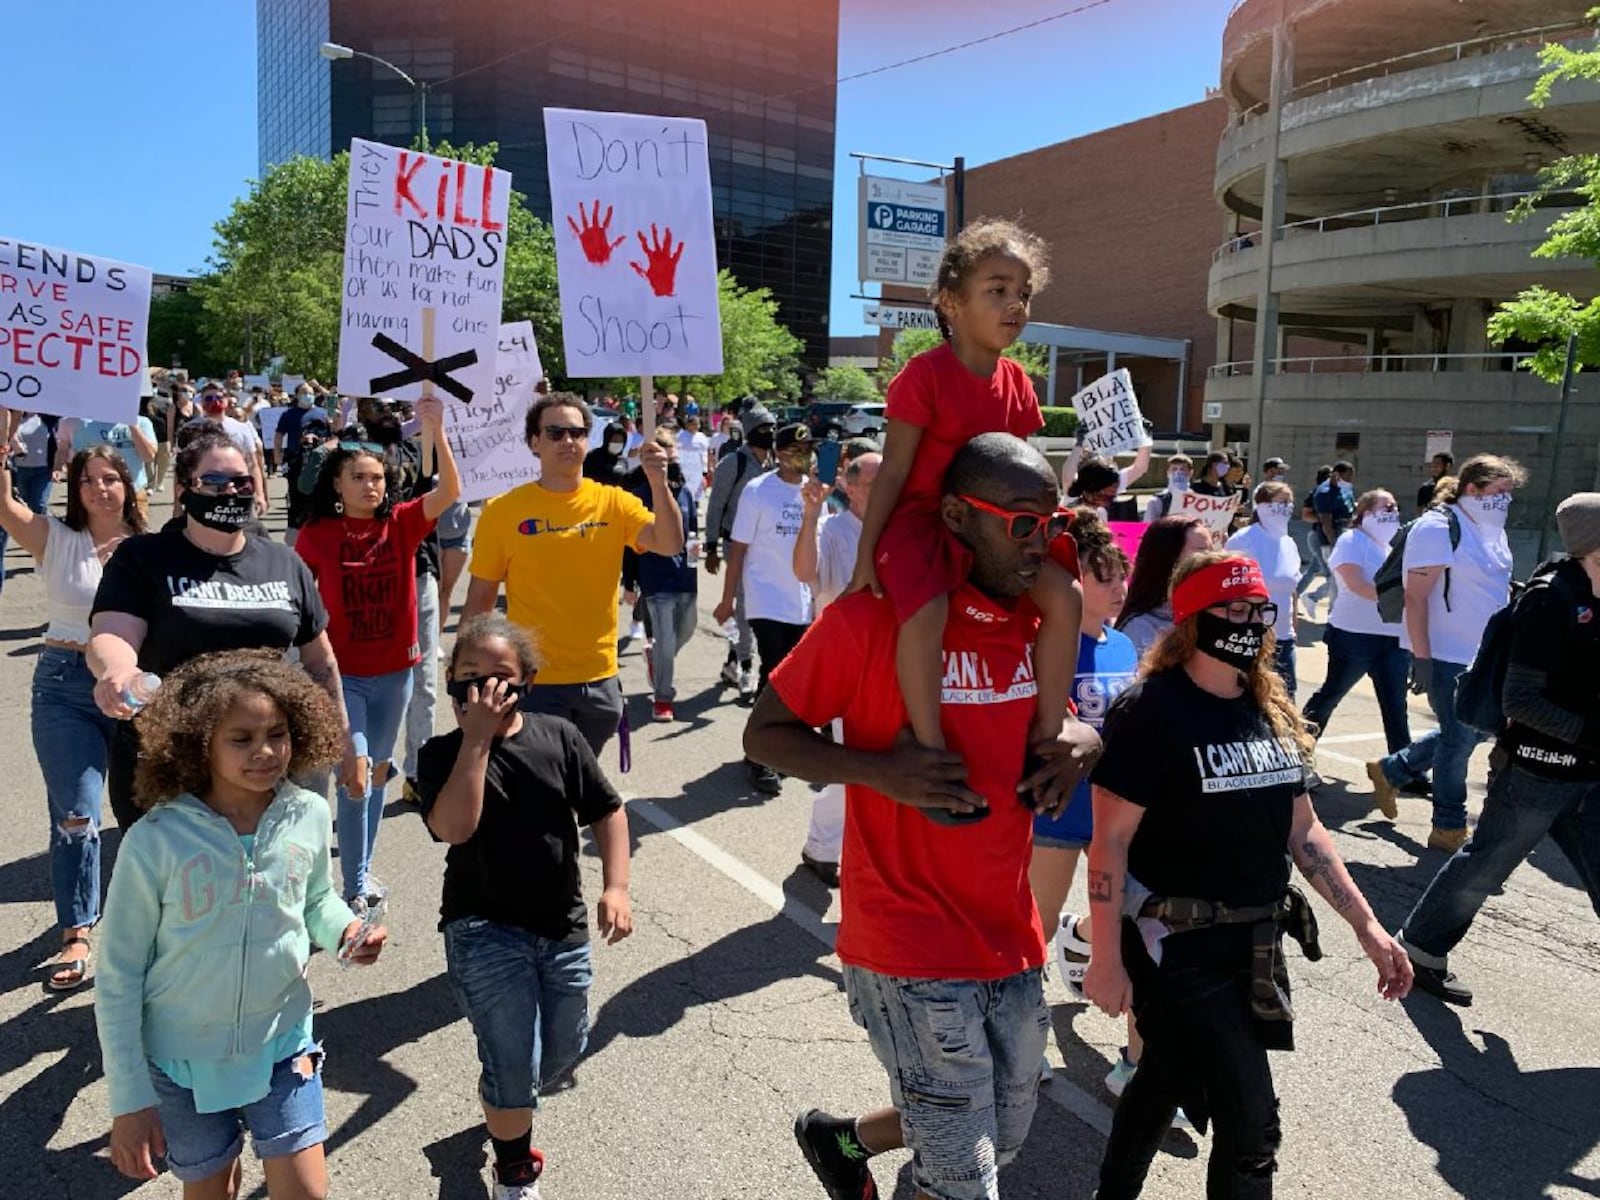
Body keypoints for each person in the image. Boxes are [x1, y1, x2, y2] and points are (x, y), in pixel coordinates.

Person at [744, 433, 1102, 1200]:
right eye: (1020, 523)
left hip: (1008, 938)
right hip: (906, 945)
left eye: (1052, 521)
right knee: (963, 1179)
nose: (1042, 541)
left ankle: (839, 1139)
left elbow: (1063, 727)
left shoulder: (1033, 626)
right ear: (955, 517)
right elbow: (763, 733)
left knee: (1001, 1135)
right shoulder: (871, 623)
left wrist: (1086, 740)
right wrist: (880, 773)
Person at [1085, 551, 1412, 1199]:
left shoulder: (1268, 708)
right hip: (1173, 942)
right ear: (1191, 618)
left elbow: (1306, 831)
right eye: (1231, 608)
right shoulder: (1150, 711)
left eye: (1258, 609)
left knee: (1167, 1073)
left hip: (1252, 941)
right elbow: (1110, 843)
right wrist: (1104, 958)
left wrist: (1370, 929)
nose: (1250, 621)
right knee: (1252, 1121)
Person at [95, 651, 386, 1197]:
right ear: (199, 741)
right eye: (242, 738)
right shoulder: (156, 840)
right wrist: (129, 1100)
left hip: (283, 1045)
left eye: (278, 733)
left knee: (307, 1193)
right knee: (213, 1192)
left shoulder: (307, 814)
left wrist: (345, 932)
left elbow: (317, 900)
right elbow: (118, 975)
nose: (266, 751)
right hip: (183, 1061)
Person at [418, 613, 632, 1199]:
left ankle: (504, 1104)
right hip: (482, 928)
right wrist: (478, 739)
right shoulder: (439, 755)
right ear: (450, 681)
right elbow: (455, 827)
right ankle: (514, 1163)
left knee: (561, 1053)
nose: (482, 689)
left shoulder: (559, 738)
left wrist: (616, 886)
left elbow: (607, 810)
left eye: (498, 676)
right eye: (468, 676)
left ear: (527, 682)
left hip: (559, 927)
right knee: (515, 1062)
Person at [849, 217, 1079, 762]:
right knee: (927, 610)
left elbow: (1028, 477)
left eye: (1023, 293)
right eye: (997, 290)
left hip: (996, 528)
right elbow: (896, 473)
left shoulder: (1019, 383)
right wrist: (865, 556)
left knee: (1064, 594)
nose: (1015, 304)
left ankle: (1050, 733)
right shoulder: (923, 377)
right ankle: (927, 746)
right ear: (951, 302)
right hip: (924, 520)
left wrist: (1058, 524)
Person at [87, 429, 356, 831]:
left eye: (241, 481)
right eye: (214, 481)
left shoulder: (283, 562)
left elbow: (320, 661)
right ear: (183, 489)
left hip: (263, 763)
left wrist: (345, 743)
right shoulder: (144, 557)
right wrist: (118, 672)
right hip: (168, 764)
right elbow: (112, 634)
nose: (230, 490)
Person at [1397, 492, 1600, 1006]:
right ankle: (1419, 952)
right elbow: (1521, 699)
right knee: (1484, 866)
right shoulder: (1550, 600)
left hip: (1589, 774)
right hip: (1536, 772)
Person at [294, 397, 460, 904]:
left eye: (379, 479)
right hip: (341, 681)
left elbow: (452, 491)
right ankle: (349, 888)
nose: (372, 486)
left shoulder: (404, 524)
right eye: (360, 478)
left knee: (378, 772)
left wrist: (435, 427)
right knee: (357, 773)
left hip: (396, 674)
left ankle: (359, 871)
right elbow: (298, 606)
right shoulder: (316, 537)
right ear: (338, 487)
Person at [463, 394, 683, 755]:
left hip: (600, 681)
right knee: (545, 791)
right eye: (555, 432)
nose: (568, 440)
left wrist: (659, 483)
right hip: (534, 681)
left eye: (577, 432)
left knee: (579, 786)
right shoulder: (502, 511)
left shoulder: (614, 501)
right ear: (535, 442)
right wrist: (467, 670)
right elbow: (481, 596)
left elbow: (669, 543)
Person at [0, 445, 144, 990]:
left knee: (147, 816)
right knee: (77, 817)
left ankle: (148, 926)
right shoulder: (56, 539)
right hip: (64, 686)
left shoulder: (149, 548)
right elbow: (5, 506)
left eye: (110, 478)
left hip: (134, 688)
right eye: (87, 480)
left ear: (128, 486)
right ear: (74, 489)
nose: (99, 488)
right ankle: (77, 930)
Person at [1367, 455, 1527, 851]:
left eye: (1509, 493)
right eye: (1499, 492)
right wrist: (1421, 657)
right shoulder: (1437, 528)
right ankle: (1449, 827)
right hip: (1445, 654)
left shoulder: (1493, 529)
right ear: (1472, 489)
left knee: (1473, 731)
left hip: (1485, 654)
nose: (1505, 501)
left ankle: (1393, 769)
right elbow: (1416, 597)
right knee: (1458, 740)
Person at [1029, 511, 1138, 1053]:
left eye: (1122, 574)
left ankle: (1083, 941)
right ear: (1075, 580)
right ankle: (1025, 1041)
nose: (1119, 587)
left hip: (1117, 814)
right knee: (1033, 929)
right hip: (1058, 811)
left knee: (1126, 918)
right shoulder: (1052, 642)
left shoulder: (1124, 646)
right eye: (1104, 576)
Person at [791, 448, 882, 885]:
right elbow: (804, 571)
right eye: (873, 483)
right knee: (853, 767)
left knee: (878, 763)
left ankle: (835, 846)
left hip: (893, 663)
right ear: (849, 487)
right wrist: (809, 516)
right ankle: (823, 847)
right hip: (846, 665)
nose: (885, 490)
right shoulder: (831, 529)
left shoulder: (898, 529)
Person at [713, 424, 815, 794]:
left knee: (791, 680)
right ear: (779, 452)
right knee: (775, 673)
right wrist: (728, 599)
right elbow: (738, 549)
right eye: (795, 448)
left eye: (807, 447)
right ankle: (758, 756)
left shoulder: (814, 492)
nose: (802, 454)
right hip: (766, 599)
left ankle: (778, 745)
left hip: (803, 603)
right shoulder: (758, 491)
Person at [1301, 490, 1413, 761]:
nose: (1392, 513)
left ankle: (1405, 767)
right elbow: (1357, 585)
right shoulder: (1351, 541)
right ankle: (1297, 753)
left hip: (1393, 638)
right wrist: (1405, 597)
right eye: (1385, 508)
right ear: (1364, 513)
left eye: (1395, 508)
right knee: (1330, 696)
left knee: (1396, 706)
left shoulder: (1393, 546)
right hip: (1355, 637)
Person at [706, 405, 778, 700]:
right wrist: (710, 546)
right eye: (763, 428)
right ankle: (748, 667)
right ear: (749, 432)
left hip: (767, 549)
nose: (769, 434)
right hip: (735, 545)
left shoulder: (775, 464)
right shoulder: (732, 463)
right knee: (745, 607)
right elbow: (715, 506)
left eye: (772, 427)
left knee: (754, 608)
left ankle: (733, 660)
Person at [626, 431, 698, 722]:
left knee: (687, 629)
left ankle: (656, 660)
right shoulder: (638, 495)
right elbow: (629, 545)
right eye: (663, 448)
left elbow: (692, 532)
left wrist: (697, 557)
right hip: (655, 577)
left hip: (684, 576)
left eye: (671, 449)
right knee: (665, 639)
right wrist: (629, 581)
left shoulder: (685, 493)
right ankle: (663, 698)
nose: (669, 454)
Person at [1226, 481, 1302, 696]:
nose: (1286, 508)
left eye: (1289, 503)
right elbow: (1231, 589)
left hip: (1284, 637)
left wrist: (1294, 626)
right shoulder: (1243, 540)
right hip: (1253, 635)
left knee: (1287, 696)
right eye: (1281, 502)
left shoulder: (1289, 543)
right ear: (1262, 505)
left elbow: (1292, 589)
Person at [1116, 514, 1212, 658]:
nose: (1213, 560)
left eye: (1213, 551)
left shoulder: (1215, 615)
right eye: (1202, 553)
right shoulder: (1139, 628)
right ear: (1169, 560)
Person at [57, 414, 157, 515]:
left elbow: (149, 456)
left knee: (137, 530)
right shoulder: (86, 425)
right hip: (99, 494)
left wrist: (133, 427)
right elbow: (79, 459)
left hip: (134, 493)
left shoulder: (142, 422)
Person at [191, 383, 268, 514]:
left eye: (219, 397)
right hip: (205, 491)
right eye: (209, 398)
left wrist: (260, 494)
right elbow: (181, 470)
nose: (215, 401)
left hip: (238, 489)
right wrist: (177, 504)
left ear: (226, 401)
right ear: (202, 403)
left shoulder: (242, 428)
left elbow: (253, 465)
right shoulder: (190, 430)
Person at [1295, 465, 1336, 613]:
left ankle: (1294, 597)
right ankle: (1313, 598)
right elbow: (1306, 515)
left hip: (1323, 538)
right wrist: (1325, 518)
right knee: (1332, 575)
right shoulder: (1316, 494)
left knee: (1313, 570)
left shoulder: (1333, 493)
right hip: (1319, 538)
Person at [10, 410, 58, 515]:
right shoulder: (14, 418)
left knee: (39, 504)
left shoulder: (48, 418)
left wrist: (58, 466)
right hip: (20, 470)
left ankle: (42, 529)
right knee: (23, 503)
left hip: (43, 470)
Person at [1142, 454, 1194, 524]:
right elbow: (1147, 527)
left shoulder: (1198, 500)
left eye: (1182, 469)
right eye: (1174, 469)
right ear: (1168, 473)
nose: (1178, 473)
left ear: (1190, 473)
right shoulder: (1156, 501)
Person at [676, 404, 711, 504]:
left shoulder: (702, 437)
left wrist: (708, 467)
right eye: (694, 424)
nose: (696, 426)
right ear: (688, 425)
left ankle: (696, 505)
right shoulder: (680, 436)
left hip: (699, 468)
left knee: (698, 489)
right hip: (684, 468)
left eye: (698, 424)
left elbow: (707, 451)